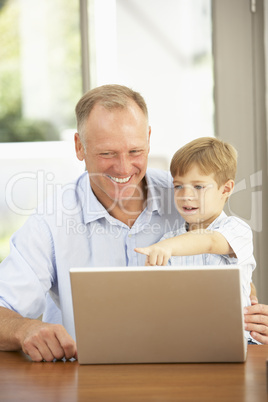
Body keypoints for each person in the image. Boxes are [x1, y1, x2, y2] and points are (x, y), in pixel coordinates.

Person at [0, 85, 266, 362]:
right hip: (86, 381)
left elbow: (232, 270)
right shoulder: (52, 220)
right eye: (107, 154)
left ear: (149, 139)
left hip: (188, 373)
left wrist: (251, 312)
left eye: (135, 151)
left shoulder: (188, 198)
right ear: (80, 147)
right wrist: (25, 328)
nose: (124, 168)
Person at [135, 137, 256, 342]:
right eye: (178, 186)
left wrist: (166, 248)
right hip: (186, 341)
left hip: (235, 341)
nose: (185, 195)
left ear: (226, 189)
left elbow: (209, 241)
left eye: (198, 187)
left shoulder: (236, 229)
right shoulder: (168, 240)